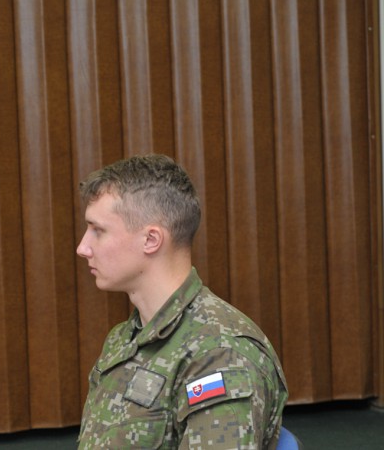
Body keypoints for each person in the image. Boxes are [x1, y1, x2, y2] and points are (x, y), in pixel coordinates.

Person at [75, 154, 288, 449]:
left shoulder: (219, 353)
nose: (83, 247)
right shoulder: (124, 339)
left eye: (98, 231)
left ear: (151, 240)